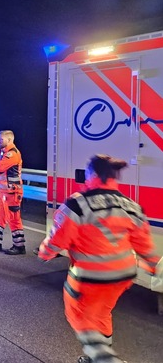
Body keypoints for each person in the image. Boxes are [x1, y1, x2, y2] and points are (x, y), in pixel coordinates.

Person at [37, 154, 160, 363]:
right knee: (101, 314)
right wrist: (152, 264)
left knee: (79, 314)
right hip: (124, 275)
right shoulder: (130, 204)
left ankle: (105, 359)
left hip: (91, 276)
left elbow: (58, 239)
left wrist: (45, 253)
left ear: (92, 174)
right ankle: (96, 357)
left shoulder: (78, 204)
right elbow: (143, 242)